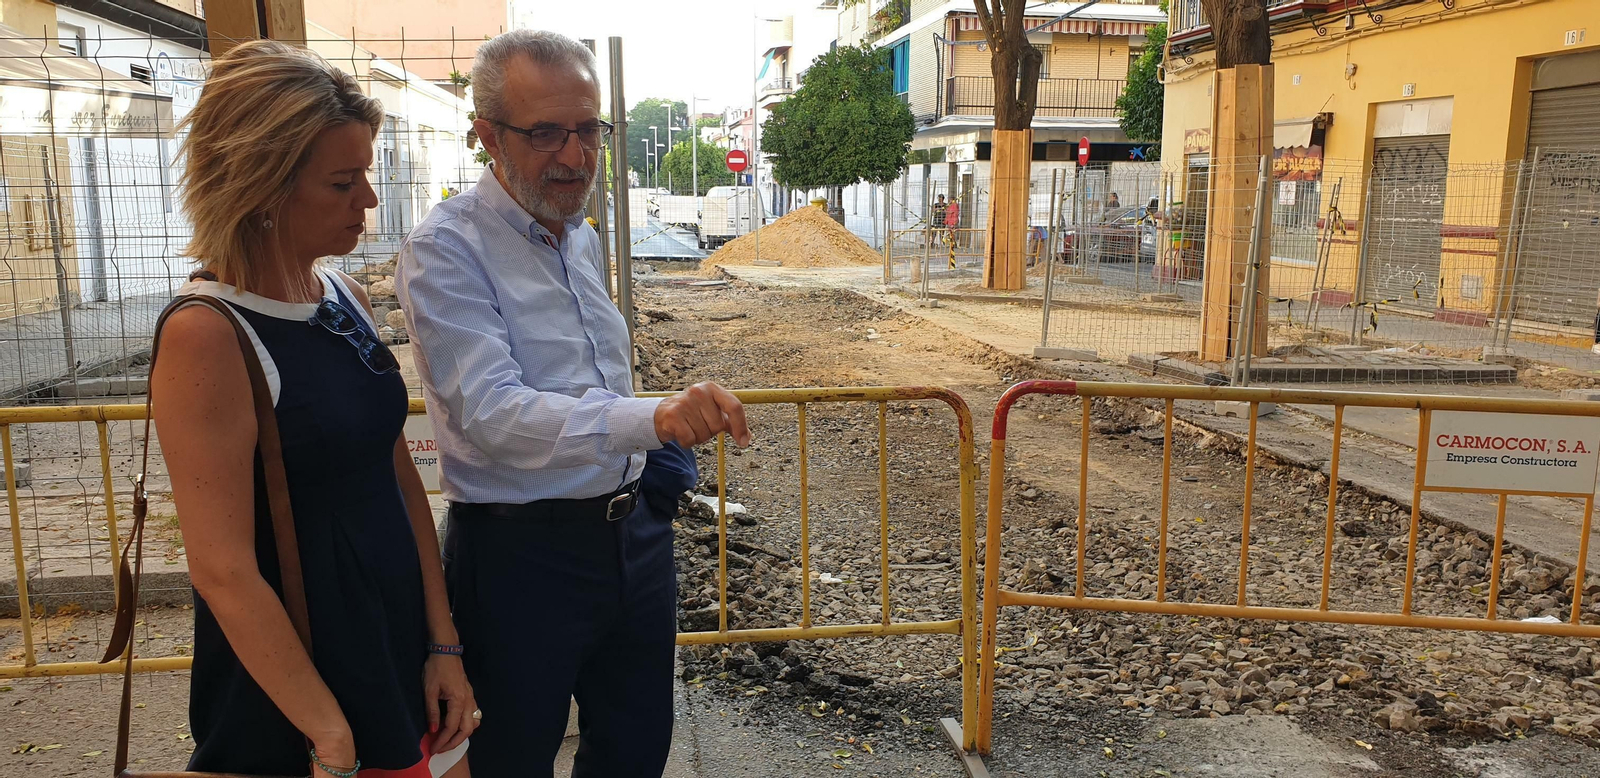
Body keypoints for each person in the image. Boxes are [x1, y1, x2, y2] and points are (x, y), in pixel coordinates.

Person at [396, 30, 752, 778]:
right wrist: (652, 418)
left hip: (632, 540)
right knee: (510, 759)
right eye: (546, 133)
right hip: (521, 557)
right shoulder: (447, 248)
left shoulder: (577, 236)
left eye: (588, 129)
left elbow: (592, 376)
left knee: (633, 750)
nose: (575, 155)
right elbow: (492, 415)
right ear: (485, 136)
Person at [151, 41, 475, 777]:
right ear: (262, 187)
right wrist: (327, 729)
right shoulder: (209, 333)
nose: (367, 199)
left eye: (365, 173)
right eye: (342, 182)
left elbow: (398, 483)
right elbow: (222, 566)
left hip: (397, 642)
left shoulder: (345, 297)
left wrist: (444, 643)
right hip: (305, 670)